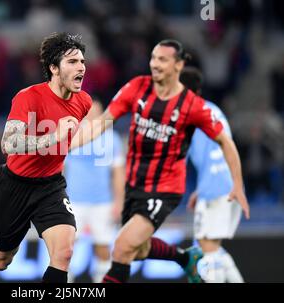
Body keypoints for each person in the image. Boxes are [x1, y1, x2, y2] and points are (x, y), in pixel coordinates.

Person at [71, 39, 250, 283]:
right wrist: (63, 145)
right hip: (136, 186)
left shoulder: (193, 107)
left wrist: (237, 184)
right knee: (138, 250)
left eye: (163, 59)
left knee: (121, 248)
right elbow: (101, 124)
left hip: (164, 188)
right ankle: (186, 258)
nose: (155, 63)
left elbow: (226, 142)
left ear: (178, 65)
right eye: (153, 58)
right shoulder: (136, 88)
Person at [0, 32, 92, 283]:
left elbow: (70, 140)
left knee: (64, 253)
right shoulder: (29, 97)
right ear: (54, 68)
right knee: (1, 259)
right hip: (15, 185)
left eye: (82, 61)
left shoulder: (84, 102)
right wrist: (53, 137)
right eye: (72, 62)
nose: (81, 67)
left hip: (51, 187)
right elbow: (8, 143)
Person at [180, 67, 245, 283]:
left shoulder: (190, 116)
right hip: (227, 184)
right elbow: (220, 153)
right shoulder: (213, 109)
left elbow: (178, 158)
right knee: (213, 247)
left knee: (207, 248)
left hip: (217, 190)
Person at [64, 98, 125, 283]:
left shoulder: (111, 138)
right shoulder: (70, 137)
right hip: (73, 201)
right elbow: (59, 170)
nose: (91, 116)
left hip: (102, 202)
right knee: (65, 250)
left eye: (95, 113)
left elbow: (118, 174)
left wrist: (119, 202)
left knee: (103, 248)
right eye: (88, 112)